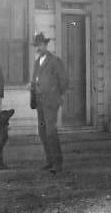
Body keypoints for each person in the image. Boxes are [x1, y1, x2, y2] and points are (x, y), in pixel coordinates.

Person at [30, 32, 68, 173]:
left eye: (40, 45)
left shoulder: (54, 61)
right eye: (36, 46)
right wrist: (32, 85)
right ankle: (50, 160)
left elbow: (64, 81)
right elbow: (35, 80)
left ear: (45, 45)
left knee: (51, 131)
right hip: (40, 101)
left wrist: (58, 96)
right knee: (42, 131)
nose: (38, 48)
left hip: (51, 102)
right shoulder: (37, 62)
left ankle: (58, 163)